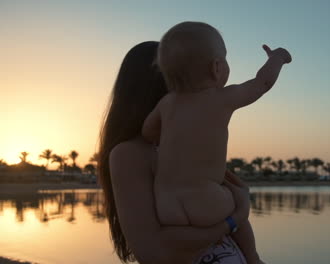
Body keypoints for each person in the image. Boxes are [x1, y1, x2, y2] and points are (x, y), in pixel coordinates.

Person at [142, 22, 291, 263]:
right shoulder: (222, 98)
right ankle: (253, 257)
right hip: (206, 199)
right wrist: (277, 58)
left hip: (167, 204)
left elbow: (148, 132)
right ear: (217, 68)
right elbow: (262, 83)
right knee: (237, 207)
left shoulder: (166, 104)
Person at [98, 41, 252, 264]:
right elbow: (154, 253)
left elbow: (226, 203)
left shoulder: (188, 145)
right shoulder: (129, 154)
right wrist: (235, 218)